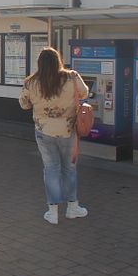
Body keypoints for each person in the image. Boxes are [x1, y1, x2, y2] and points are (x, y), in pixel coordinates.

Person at [19, 47, 89, 225]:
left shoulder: (31, 82)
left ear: (39, 63)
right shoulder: (71, 77)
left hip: (43, 131)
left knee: (51, 169)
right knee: (69, 169)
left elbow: (24, 104)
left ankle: (53, 212)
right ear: (58, 60)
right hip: (68, 131)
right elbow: (84, 92)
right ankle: (73, 208)